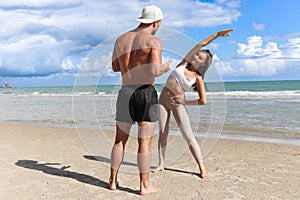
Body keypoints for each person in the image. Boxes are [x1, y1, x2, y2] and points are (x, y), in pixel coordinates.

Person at [152, 28, 234, 179]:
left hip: (177, 104)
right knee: (163, 132)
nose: (196, 56)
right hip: (162, 99)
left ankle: (202, 167)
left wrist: (185, 102)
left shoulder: (198, 78)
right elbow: (200, 44)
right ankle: (161, 163)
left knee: (188, 136)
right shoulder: (184, 63)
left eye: (200, 57)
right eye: (197, 54)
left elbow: (203, 101)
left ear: (203, 64)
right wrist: (216, 34)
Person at [109, 5, 172, 195]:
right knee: (144, 142)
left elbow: (114, 67)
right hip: (145, 92)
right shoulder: (154, 40)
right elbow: (154, 71)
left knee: (119, 140)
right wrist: (165, 67)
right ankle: (144, 186)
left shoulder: (121, 40)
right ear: (156, 22)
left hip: (125, 92)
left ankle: (112, 181)